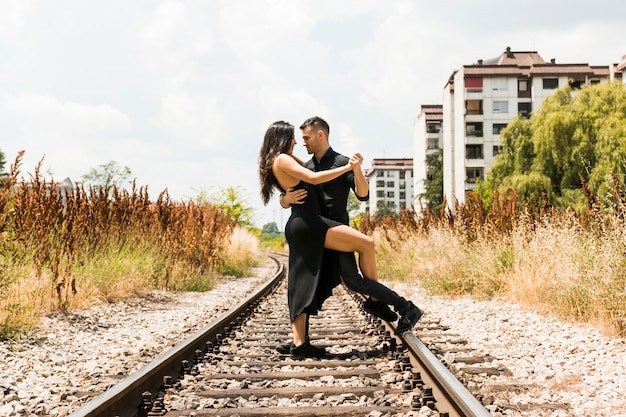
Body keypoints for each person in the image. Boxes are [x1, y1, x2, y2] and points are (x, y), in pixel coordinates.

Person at [259, 120, 422, 358]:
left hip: (323, 227)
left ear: (320, 135)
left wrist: (353, 169)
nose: (298, 141)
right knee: (363, 247)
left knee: (311, 283)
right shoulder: (293, 161)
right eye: (296, 137)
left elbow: (362, 194)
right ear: (282, 139)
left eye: (304, 138)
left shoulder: (302, 160)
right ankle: (400, 305)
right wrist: (286, 200)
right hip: (315, 226)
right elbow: (311, 180)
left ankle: (300, 343)